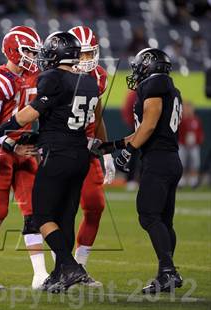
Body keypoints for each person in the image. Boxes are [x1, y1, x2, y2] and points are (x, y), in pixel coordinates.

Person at [0, 31, 99, 293]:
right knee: (66, 217)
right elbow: (64, 117)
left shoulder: (53, 77)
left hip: (58, 155)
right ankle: (60, 274)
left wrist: (3, 128)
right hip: (80, 153)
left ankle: (70, 267)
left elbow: (32, 112)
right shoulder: (90, 81)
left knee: (41, 216)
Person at [92, 48, 184, 294]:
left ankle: (168, 272)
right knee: (163, 220)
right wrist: (116, 145)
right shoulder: (170, 88)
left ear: (148, 66)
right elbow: (146, 128)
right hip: (170, 159)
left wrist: (129, 151)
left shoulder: (155, 85)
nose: (136, 72)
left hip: (158, 160)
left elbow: (150, 124)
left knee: (148, 215)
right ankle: (167, 272)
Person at [0, 25, 49, 290]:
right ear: (13, 50)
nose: (33, 56)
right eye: (28, 50)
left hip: (26, 148)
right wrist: (11, 145)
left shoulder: (36, 76)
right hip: (0, 150)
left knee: (33, 212)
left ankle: (40, 275)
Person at [68, 26, 115, 286]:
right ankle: (60, 268)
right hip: (63, 149)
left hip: (87, 151)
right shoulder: (56, 76)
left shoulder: (99, 76)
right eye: (82, 54)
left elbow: (96, 116)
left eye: (90, 54)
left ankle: (80, 268)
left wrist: (106, 152)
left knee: (94, 206)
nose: (87, 60)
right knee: (63, 210)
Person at [178, 101, 204, 188]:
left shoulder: (196, 120)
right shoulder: (181, 120)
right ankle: (181, 180)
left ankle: (193, 180)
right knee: (182, 162)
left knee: (195, 162)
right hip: (183, 144)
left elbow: (200, 132)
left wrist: (199, 140)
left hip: (194, 145)